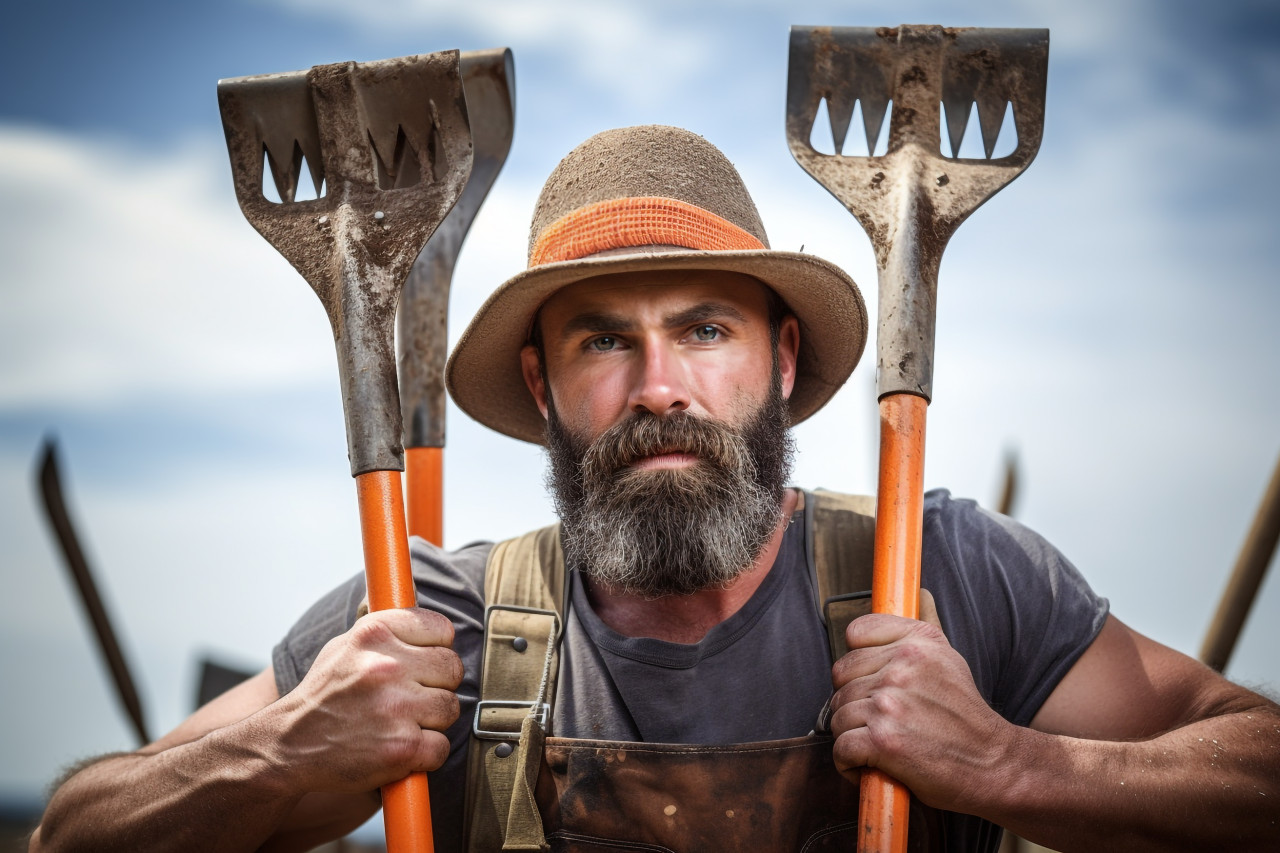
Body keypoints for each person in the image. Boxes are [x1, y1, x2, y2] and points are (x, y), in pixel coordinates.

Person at [31, 126, 1280, 853]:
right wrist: (282, 748)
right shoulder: (439, 625)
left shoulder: (942, 575)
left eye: (702, 328)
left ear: (780, 360)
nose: (657, 385)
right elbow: (75, 829)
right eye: (599, 340)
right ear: (542, 380)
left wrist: (1010, 765)